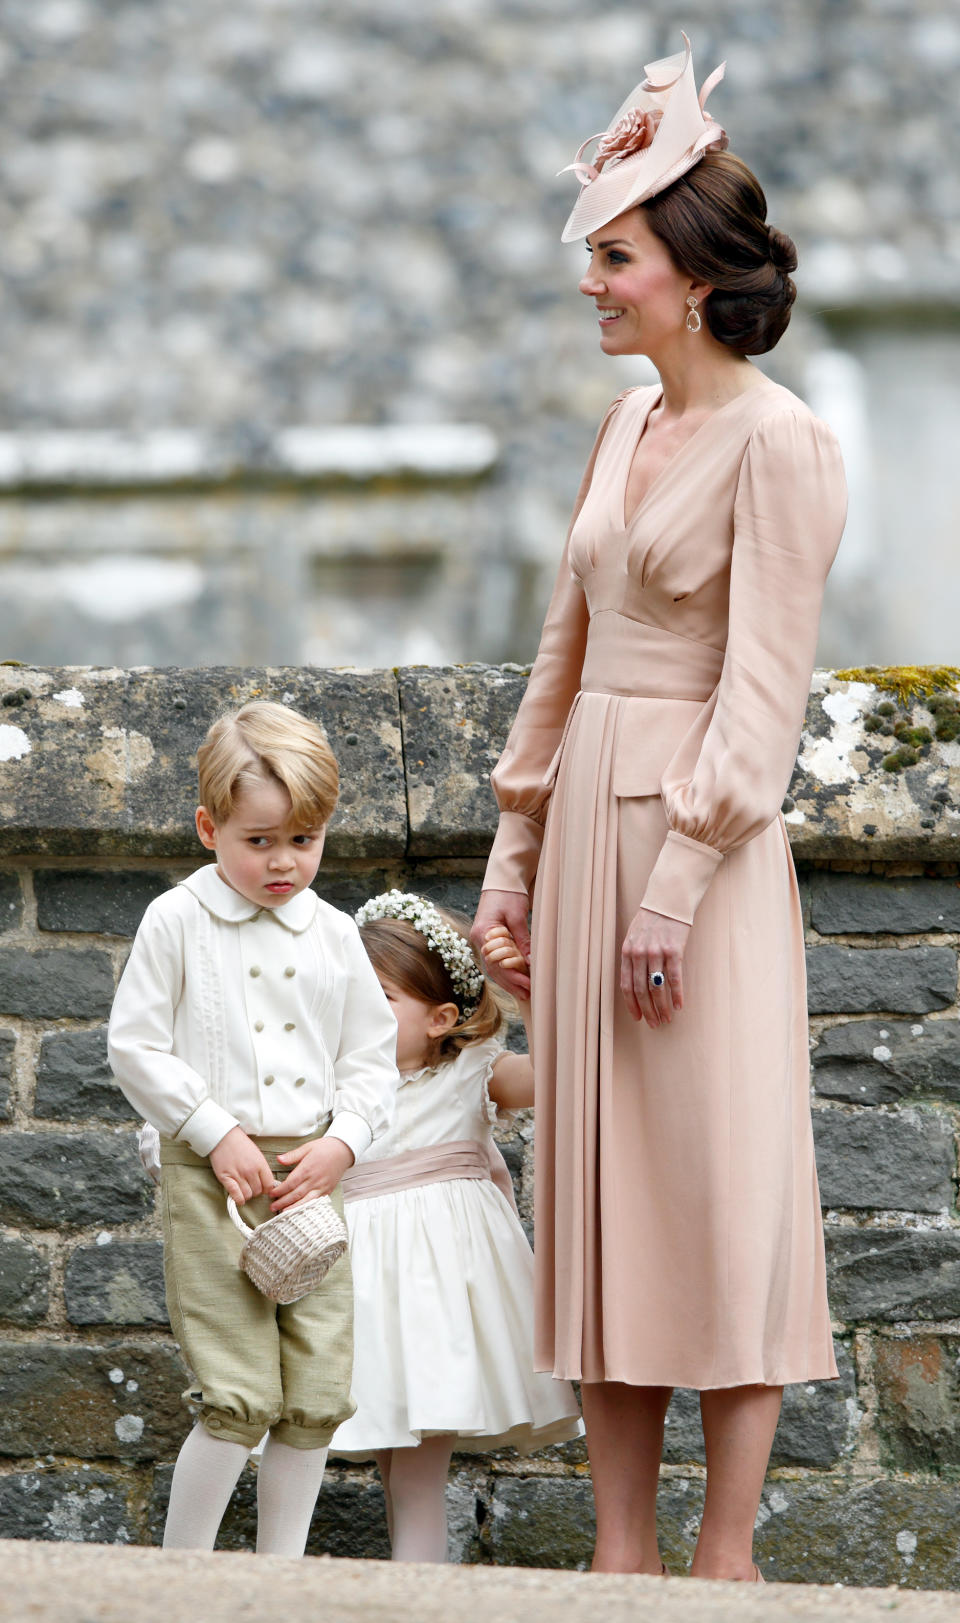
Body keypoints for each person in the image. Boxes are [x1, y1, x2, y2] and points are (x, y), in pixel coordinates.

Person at [470, 35, 847, 1583]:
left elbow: (762, 700)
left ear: (689, 275)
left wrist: (673, 889)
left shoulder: (785, 443)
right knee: (604, 1204)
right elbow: (561, 662)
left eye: (611, 256)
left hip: (699, 865)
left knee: (717, 1184)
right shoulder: (622, 431)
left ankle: (724, 1556)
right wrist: (513, 861)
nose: (591, 283)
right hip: (581, 861)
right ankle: (618, 1560)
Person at [108, 700, 399, 1556]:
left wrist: (344, 1140)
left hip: (314, 1177)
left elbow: (372, 1060)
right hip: (216, 1177)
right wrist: (212, 1129)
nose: (283, 862)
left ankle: (280, 1579)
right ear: (209, 826)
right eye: (259, 840)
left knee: (313, 1390)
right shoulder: (177, 921)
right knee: (239, 1392)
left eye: (303, 840)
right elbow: (134, 1044)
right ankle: (181, 1576)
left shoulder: (339, 935)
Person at [328, 892, 582, 1562]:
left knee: (417, 1458)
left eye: (378, 996)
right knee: (392, 1451)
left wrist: (528, 987)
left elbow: (559, 1074)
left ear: (441, 1017)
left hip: (437, 1287)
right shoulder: (333, 1084)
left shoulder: (473, 1072)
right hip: (360, 1285)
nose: (355, 1011)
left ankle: (419, 1581)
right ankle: (412, 1577)